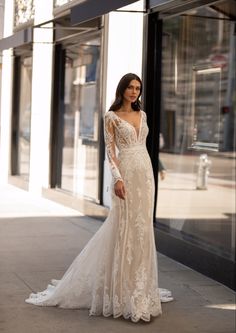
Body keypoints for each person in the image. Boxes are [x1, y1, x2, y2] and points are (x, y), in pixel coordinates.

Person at [25, 73, 173, 322]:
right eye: (130, 87)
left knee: (142, 229)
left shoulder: (143, 114)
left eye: (138, 88)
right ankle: (122, 291)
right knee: (124, 227)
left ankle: (141, 287)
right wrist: (117, 178)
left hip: (145, 176)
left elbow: (144, 145)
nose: (134, 92)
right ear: (122, 89)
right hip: (125, 174)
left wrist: (158, 165)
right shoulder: (111, 116)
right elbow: (110, 151)